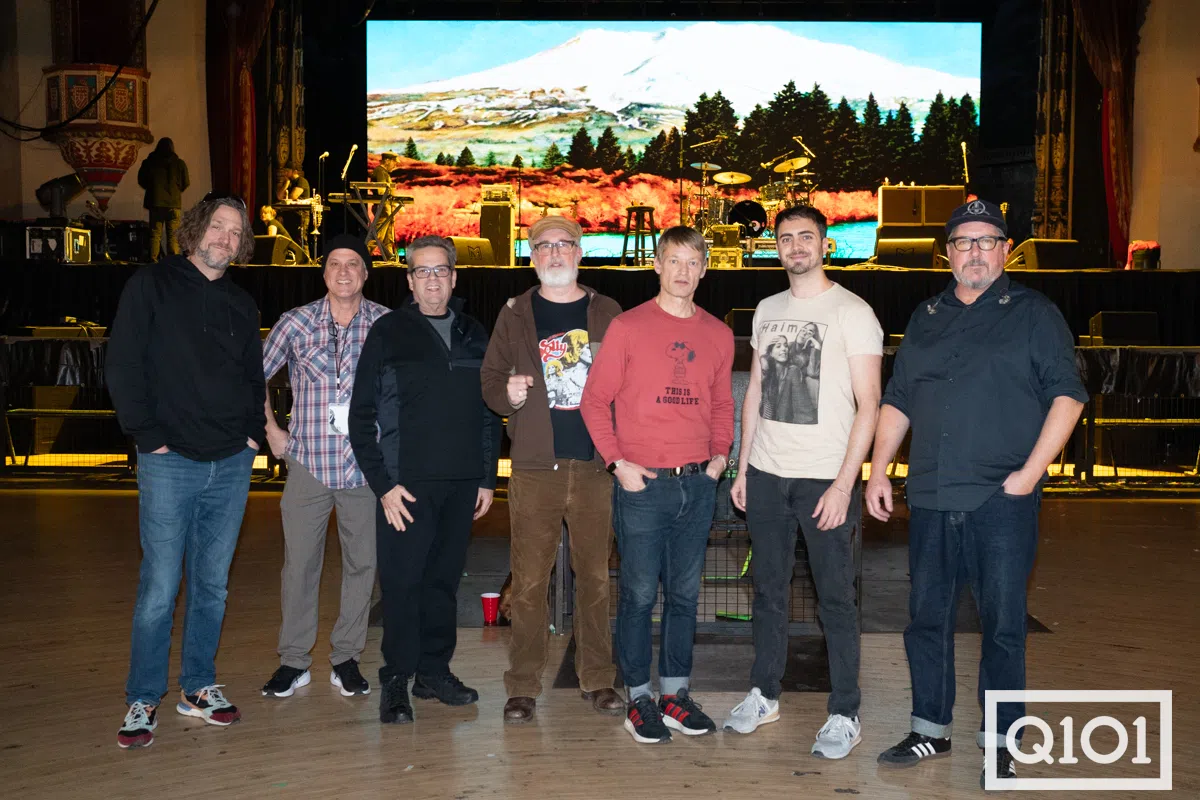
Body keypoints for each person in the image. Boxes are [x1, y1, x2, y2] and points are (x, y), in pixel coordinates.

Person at [865, 199, 1087, 788]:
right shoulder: (926, 315)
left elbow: (1068, 396)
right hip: (932, 495)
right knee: (926, 620)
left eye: (988, 241)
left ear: (1006, 250)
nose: (976, 252)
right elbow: (899, 397)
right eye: (964, 242)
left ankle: (1002, 744)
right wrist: (879, 469)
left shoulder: (1035, 314)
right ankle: (929, 730)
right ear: (948, 253)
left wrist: (1029, 476)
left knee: (1004, 627)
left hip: (1001, 500)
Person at [723, 206, 883, 760]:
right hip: (768, 475)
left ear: (825, 244)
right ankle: (765, 694)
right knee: (768, 592)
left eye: (806, 237)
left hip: (823, 480)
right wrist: (744, 467)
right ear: (776, 247)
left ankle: (845, 712)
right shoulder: (768, 309)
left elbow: (870, 405)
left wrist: (843, 485)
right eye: (786, 238)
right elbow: (755, 394)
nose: (796, 246)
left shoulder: (853, 312)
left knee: (835, 599)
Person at [106, 193, 263, 749]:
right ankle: (143, 696)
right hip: (169, 461)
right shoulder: (151, 284)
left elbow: (253, 377)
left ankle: (197, 687)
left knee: (212, 585)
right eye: (217, 226)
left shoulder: (242, 302)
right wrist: (148, 437)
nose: (225, 238)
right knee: (159, 586)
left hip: (232, 461)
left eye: (235, 232)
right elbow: (123, 363)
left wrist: (252, 436)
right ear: (195, 228)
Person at [580, 226, 735, 744]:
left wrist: (718, 461)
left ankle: (675, 695)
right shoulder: (628, 327)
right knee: (640, 595)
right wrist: (617, 464)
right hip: (642, 486)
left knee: (686, 597)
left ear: (704, 269)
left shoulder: (717, 333)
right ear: (657, 264)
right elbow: (594, 401)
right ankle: (639, 699)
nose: (683, 271)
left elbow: (722, 404)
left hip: (698, 485)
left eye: (692, 262)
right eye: (674, 260)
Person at [348, 234, 502, 725]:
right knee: (402, 585)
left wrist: (486, 478)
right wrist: (383, 485)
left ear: (454, 277)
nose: (432, 280)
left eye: (441, 271)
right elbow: (360, 416)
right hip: (406, 487)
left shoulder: (475, 332)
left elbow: (489, 413)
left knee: (442, 584)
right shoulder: (388, 331)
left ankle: (434, 672)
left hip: (462, 485)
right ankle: (396, 678)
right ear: (410, 281)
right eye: (423, 271)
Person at [480, 216, 624, 724]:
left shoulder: (607, 312)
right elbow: (490, 381)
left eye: (564, 244)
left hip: (593, 467)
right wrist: (507, 395)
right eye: (544, 246)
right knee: (529, 583)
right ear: (532, 255)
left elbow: (628, 382)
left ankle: (598, 679)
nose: (555, 253)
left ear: (580, 253)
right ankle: (522, 686)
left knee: (595, 580)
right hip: (535, 468)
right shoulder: (514, 313)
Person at [259, 234, 390, 700]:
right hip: (308, 464)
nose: (343, 271)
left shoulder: (386, 325)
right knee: (299, 566)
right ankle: (294, 661)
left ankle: (346, 657)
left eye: (353, 263)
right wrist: (271, 430)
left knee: (363, 565)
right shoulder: (295, 322)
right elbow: (252, 376)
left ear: (366, 273)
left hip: (364, 468)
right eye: (335, 263)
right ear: (324, 272)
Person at [137, 137, 190, 261]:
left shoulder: (149, 162)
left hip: (156, 203)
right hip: (174, 204)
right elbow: (186, 182)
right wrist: (176, 191)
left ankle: (153, 261)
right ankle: (172, 262)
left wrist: (152, 190)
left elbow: (142, 180)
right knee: (173, 235)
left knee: (155, 234)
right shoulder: (179, 163)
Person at [369, 152, 399, 259]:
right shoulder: (380, 171)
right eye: (394, 162)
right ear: (387, 161)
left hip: (387, 207)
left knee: (388, 237)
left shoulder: (384, 172)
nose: (395, 165)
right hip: (382, 207)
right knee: (377, 234)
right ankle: (363, 256)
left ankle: (390, 260)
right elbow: (381, 191)